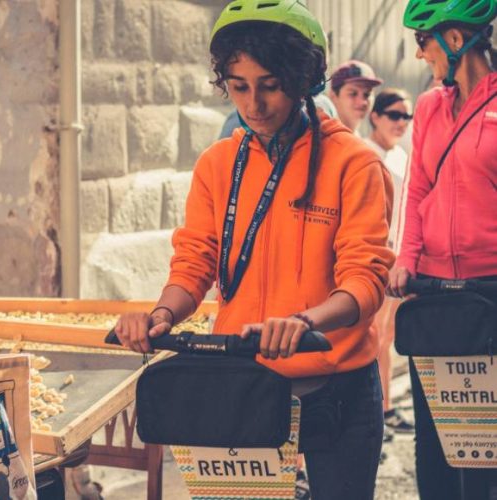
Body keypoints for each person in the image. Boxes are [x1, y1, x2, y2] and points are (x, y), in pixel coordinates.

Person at [115, 1, 394, 498]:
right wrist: (161, 314)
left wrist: (305, 322)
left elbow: (365, 278)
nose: (253, 105)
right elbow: (195, 260)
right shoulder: (218, 163)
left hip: (338, 389)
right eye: (239, 86)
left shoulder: (354, 162)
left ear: (304, 78)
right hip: (244, 382)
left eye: (269, 84)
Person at [389, 0, 497, 498]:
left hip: (489, 294)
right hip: (433, 292)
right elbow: (417, 191)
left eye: (423, 40)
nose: (418, 54)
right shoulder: (430, 106)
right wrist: (407, 260)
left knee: (486, 449)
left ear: (456, 40)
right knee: (434, 443)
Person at [363, 88, 415, 441]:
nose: (401, 122)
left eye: (406, 117)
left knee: (389, 337)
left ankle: (385, 408)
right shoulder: (366, 153)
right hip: (378, 257)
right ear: (376, 116)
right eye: (394, 115)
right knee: (375, 337)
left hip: (401, 258)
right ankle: (375, 414)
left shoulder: (400, 156)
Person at [329, 60, 383, 134]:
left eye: (367, 94)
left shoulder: (358, 138)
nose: (362, 102)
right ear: (333, 96)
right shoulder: (324, 138)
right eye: (353, 94)